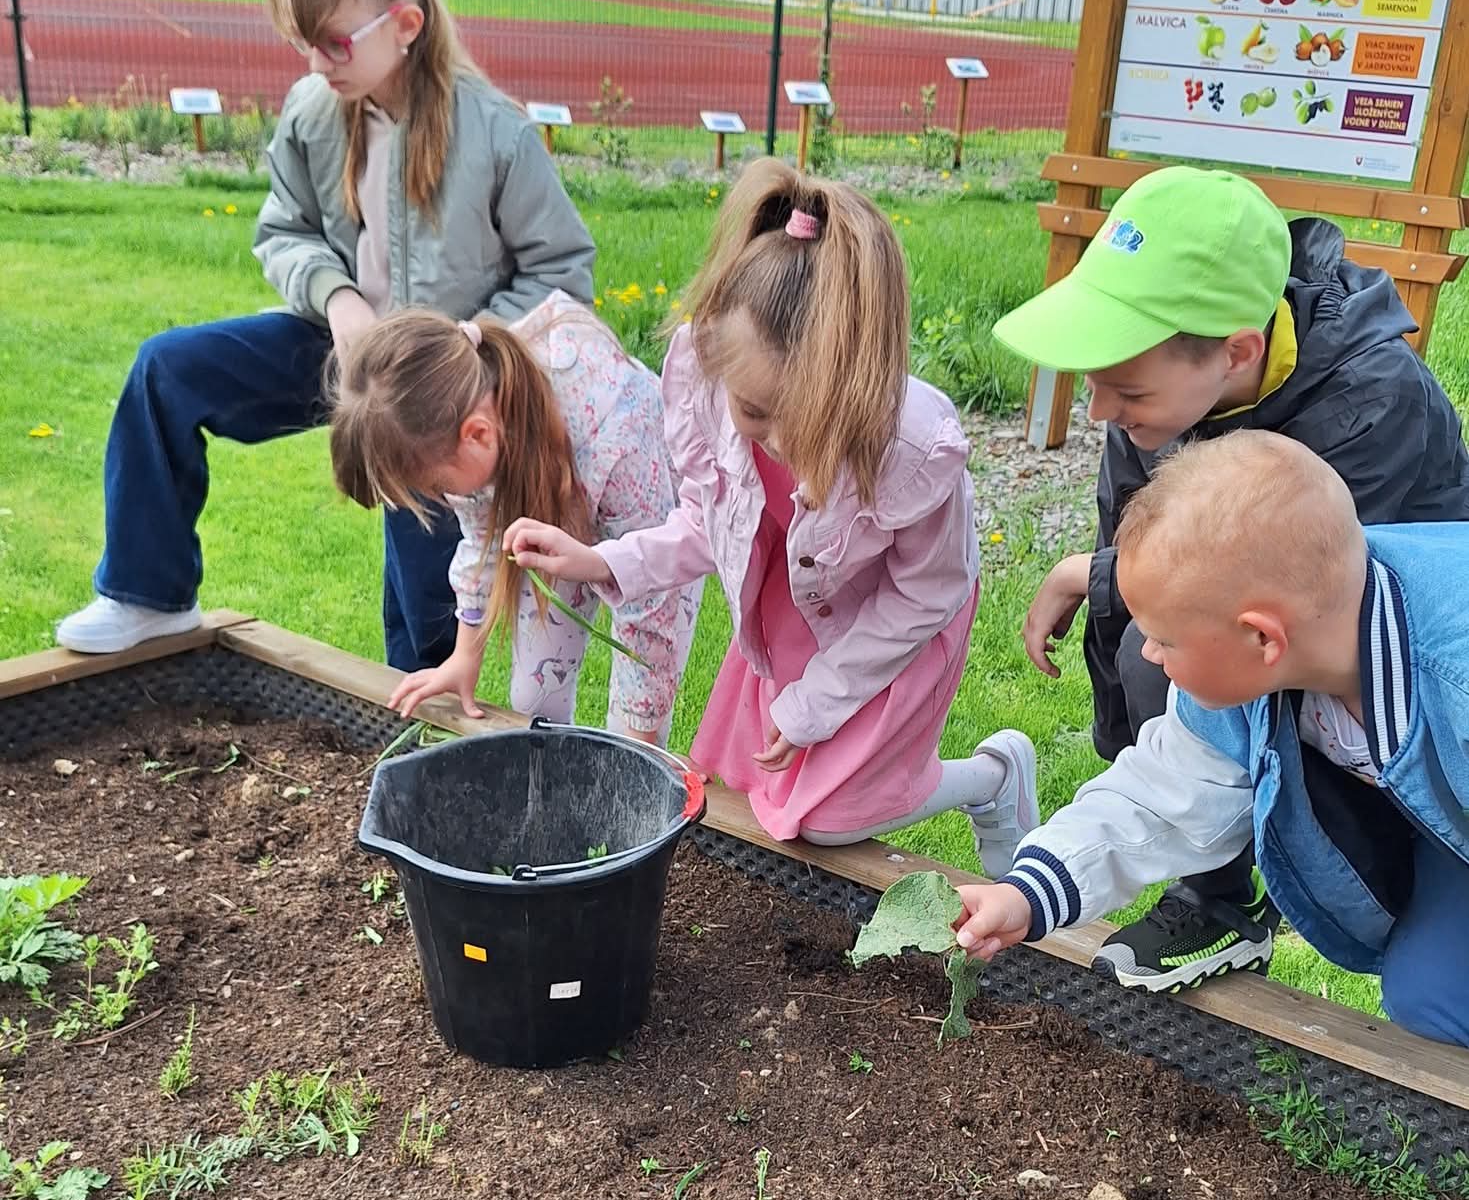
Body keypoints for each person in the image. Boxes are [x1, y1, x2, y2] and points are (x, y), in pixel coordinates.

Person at [56, 0, 595, 670]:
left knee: (423, 573)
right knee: (166, 371)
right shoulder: (314, 110)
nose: (315, 63)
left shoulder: (494, 133)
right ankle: (150, 595)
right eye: (301, 41)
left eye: (333, 41)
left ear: (405, 25)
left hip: (443, 379)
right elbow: (285, 230)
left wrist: (463, 349)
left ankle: (429, 704)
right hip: (337, 340)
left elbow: (560, 274)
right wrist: (339, 301)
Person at [989, 165, 1469, 992]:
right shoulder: (1157, 391)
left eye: (1122, 390)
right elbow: (1166, 779)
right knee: (1425, 992)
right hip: (1355, 697)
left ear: (1237, 353)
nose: (1100, 410)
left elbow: (1301, 574)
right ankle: (1227, 892)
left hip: (1411, 692)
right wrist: (1030, 892)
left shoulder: (1368, 404)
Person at [500, 159, 1036, 866]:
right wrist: (601, 560)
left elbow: (924, 593)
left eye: (808, 419)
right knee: (766, 793)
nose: (779, 443)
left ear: (853, 387)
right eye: (754, 412)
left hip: (885, 620)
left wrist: (816, 700)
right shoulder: (714, 384)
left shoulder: (909, 451)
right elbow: (708, 523)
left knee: (834, 819)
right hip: (791, 609)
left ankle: (992, 778)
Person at [952, 433, 1469, 1049]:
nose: (1148, 653)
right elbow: (1161, 797)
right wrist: (1025, 895)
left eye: (1164, 639)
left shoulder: (1455, 679)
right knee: (1427, 993)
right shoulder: (1287, 653)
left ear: (1262, 638)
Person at [328, 299, 697, 743]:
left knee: (630, 731)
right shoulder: (467, 415)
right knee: (532, 699)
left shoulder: (616, 437)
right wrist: (465, 655)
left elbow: (651, 601)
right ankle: (548, 780)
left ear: (478, 435)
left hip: (660, 538)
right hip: (559, 522)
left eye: (435, 485)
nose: (441, 498)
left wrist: (639, 741)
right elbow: (480, 537)